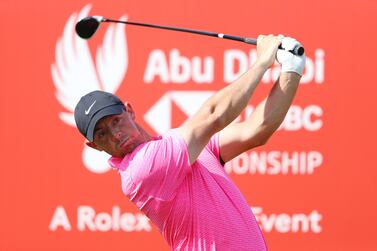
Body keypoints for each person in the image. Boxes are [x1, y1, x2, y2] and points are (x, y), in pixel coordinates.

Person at [74, 35, 306, 251]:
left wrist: (291, 69)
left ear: (129, 111)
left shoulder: (181, 147)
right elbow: (214, 114)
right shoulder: (141, 169)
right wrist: (262, 62)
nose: (115, 134)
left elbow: (256, 130)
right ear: (94, 146)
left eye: (116, 121)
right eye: (102, 134)